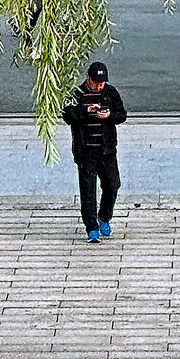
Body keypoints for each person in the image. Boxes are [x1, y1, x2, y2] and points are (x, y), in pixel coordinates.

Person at [62, 61, 127, 242]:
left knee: (112, 184)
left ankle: (104, 216)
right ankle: (91, 227)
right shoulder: (76, 93)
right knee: (88, 190)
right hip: (85, 150)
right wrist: (86, 110)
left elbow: (122, 114)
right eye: (96, 82)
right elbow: (68, 115)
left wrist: (109, 116)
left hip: (107, 149)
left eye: (102, 82)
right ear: (88, 77)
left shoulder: (110, 92)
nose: (99, 86)